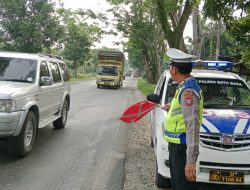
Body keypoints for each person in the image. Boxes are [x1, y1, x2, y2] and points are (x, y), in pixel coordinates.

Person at [162, 48, 203, 190]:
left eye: (170, 67)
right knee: (177, 184)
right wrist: (170, 107)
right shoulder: (184, 87)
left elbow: (192, 125)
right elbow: (183, 110)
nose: (169, 69)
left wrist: (190, 160)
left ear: (174, 70)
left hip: (182, 147)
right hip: (177, 145)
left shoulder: (188, 91)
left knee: (182, 186)